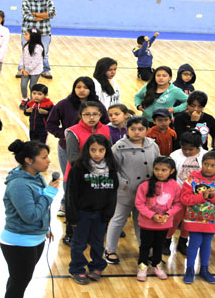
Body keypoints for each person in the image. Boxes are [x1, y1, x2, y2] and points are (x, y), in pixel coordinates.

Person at [1, 140, 60, 298]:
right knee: (18, 283)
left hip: (35, 238)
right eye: (44, 157)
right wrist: (49, 194)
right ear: (29, 160)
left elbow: (39, 208)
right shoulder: (19, 184)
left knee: (17, 280)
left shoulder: (36, 177)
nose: (49, 161)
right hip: (19, 242)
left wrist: (45, 228)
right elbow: (30, 215)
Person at [46, 77, 108, 219]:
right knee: (70, 177)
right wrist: (65, 135)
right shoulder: (63, 104)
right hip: (67, 148)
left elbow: (106, 123)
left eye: (85, 87)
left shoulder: (97, 105)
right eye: (78, 87)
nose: (81, 90)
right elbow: (51, 124)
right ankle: (66, 203)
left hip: (95, 151)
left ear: (91, 89)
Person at [105, 116, 160, 264]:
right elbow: (111, 168)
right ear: (127, 130)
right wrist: (123, 183)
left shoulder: (152, 145)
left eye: (141, 129)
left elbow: (158, 164)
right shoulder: (119, 147)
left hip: (146, 193)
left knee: (141, 221)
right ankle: (110, 249)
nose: (137, 132)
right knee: (118, 220)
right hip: (125, 192)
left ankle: (145, 249)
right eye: (133, 129)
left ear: (147, 130)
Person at [66, 134, 119, 285]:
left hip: (101, 214)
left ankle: (97, 266)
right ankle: (77, 268)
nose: (97, 153)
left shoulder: (112, 169)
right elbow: (71, 193)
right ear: (86, 150)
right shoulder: (78, 167)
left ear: (106, 151)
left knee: (97, 243)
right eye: (93, 150)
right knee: (79, 243)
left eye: (101, 150)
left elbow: (113, 193)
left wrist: (108, 214)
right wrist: (72, 217)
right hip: (82, 213)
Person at [181, 151, 215, 284]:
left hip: (212, 221)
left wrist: (213, 197)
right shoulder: (191, 180)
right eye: (205, 164)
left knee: (206, 244)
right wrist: (202, 196)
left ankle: (204, 269)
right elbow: (185, 199)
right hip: (194, 219)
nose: (208, 168)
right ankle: (190, 269)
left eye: (212, 165)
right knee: (194, 243)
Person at [134, 157, 182, 281]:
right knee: (145, 246)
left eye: (164, 170)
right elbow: (139, 204)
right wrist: (152, 215)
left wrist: (167, 214)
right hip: (147, 223)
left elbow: (178, 204)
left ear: (171, 171)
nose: (159, 172)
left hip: (164, 224)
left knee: (159, 246)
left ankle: (157, 265)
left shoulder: (175, 186)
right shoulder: (145, 185)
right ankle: (142, 266)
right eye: (157, 169)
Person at [165, 130, 207, 255]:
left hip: (197, 195)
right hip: (178, 193)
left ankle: (183, 242)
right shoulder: (175, 155)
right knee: (174, 219)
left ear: (199, 146)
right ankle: (166, 241)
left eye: (191, 149)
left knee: (190, 220)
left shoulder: (206, 156)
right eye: (184, 149)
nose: (187, 152)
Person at [20, 0, 55, 79]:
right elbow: (27, 16)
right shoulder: (26, 2)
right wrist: (44, 15)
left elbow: (51, 14)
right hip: (28, 33)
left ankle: (45, 70)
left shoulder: (49, 1)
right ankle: (21, 69)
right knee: (25, 51)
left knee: (44, 52)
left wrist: (34, 13)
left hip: (44, 32)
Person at [19, 28, 44, 110]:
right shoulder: (25, 46)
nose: (24, 36)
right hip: (25, 70)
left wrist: (28, 70)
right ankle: (25, 99)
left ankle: (32, 102)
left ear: (32, 36)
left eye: (26, 34)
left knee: (32, 86)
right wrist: (22, 68)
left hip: (35, 71)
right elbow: (22, 57)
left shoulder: (39, 48)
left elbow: (36, 61)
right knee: (23, 85)